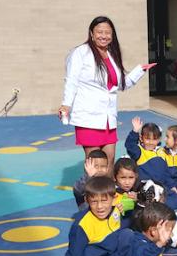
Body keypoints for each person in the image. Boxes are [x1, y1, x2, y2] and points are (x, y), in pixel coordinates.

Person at [58, 16, 155, 171]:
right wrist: (66, 104)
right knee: (95, 162)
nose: (104, 36)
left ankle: (109, 194)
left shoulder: (111, 54)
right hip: (88, 117)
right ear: (91, 33)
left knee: (109, 160)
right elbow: (71, 81)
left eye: (108, 32)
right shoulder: (80, 53)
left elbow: (120, 85)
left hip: (108, 118)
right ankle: (93, 194)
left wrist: (140, 70)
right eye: (100, 32)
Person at [57, 176, 126, 256]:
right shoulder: (83, 225)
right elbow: (73, 252)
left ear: (113, 198)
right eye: (94, 201)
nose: (100, 206)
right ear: (87, 200)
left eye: (104, 201)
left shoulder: (116, 211)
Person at [125, 116, 172, 187]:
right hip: (144, 186)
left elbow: (167, 172)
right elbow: (130, 145)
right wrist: (135, 131)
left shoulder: (162, 152)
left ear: (159, 139)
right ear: (141, 138)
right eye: (147, 139)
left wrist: (172, 186)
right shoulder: (139, 152)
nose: (151, 142)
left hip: (161, 186)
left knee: (174, 196)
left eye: (154, 139)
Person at [113, 157, 140, 227]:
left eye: (131, 177)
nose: (127, 182)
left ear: (136, 176)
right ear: (114, 177)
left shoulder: (138, 192)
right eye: (123, 178)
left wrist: (138, 200)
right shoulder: (111, 193)